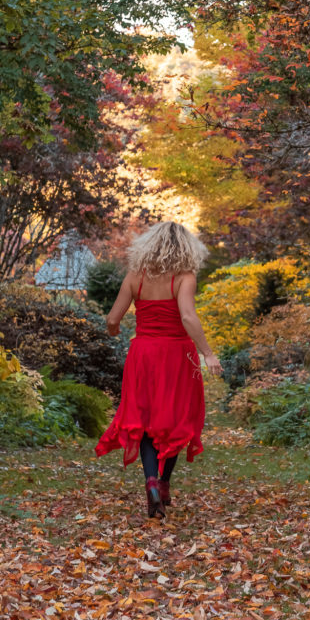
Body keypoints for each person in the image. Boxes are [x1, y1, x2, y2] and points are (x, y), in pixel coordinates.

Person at [95, 221, 222, 518]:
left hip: (143, 355)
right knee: (178, 419)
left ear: (149, 246)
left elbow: (113, 320)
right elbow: (188, 316)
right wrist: (208, 354)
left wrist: (114, 331)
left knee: (146, 421)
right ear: (187, 248)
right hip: (177, 355)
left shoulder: (135, 277)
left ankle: (151, 482)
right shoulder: (184, 277)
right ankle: (163, 484)